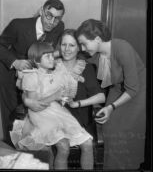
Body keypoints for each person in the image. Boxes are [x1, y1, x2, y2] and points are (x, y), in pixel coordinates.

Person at [23, 29, 106, 169]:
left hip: (77, 118)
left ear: (79, 47)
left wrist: (78, 104)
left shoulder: (86, 68)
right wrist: (26, 100)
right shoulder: (50, 63)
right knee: (63, 147)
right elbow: (30, 85)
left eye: (72, 45)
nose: (67, 49)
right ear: (59, 46)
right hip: (48, 117)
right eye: (64, 44)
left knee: (87, 145)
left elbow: (101, 96)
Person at [10, 41, 95, 169]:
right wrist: (54, 96)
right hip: (41, 115)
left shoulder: (54, 72)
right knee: (64, 146)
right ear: (37, 61)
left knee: (87, 142)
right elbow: (35, 106)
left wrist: (73, 83)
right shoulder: (31, 76)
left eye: (52, 55)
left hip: (57, 112)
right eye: (47, 56)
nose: (52, 58)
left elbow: (64, 84)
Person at [75, 19, 146, 170]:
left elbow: (133, 88)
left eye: (84, 44)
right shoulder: (96, 52)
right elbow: (70, 53)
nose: (82, 48)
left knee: (125, 131)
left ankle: (128, 166)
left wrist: (111, 107)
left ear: (98, 39)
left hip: (138, 91)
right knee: (109, 127)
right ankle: (111, 166)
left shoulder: (122, 48)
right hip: (118, 88)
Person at [0, 0, 65, 145]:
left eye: (57, 18)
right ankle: (14, 149)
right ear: (41, 11)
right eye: (49, 16)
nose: (52, 22)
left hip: (36, 78)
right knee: (13, 114)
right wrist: (15, 63)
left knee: (35, 113)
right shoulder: (18, 25)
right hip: (10, 75)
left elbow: (46, 51)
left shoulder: (59, 27)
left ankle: (32, 148)